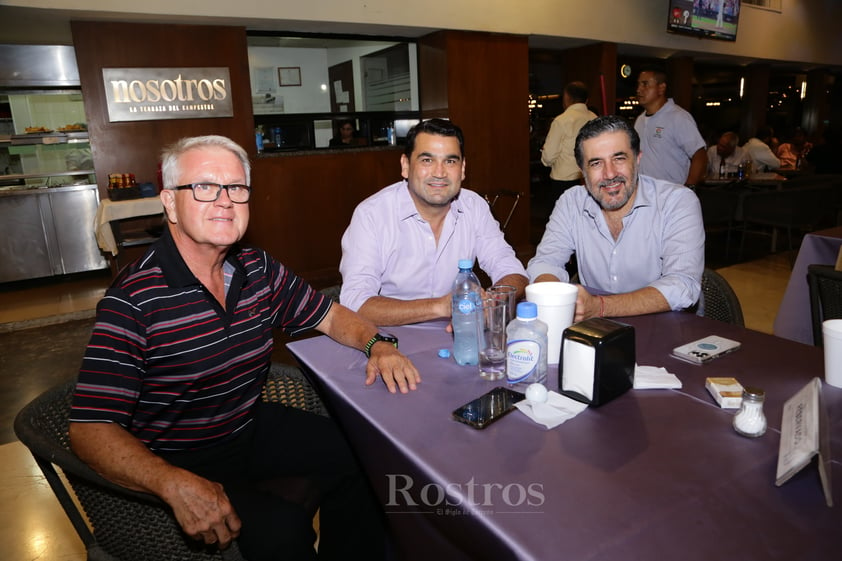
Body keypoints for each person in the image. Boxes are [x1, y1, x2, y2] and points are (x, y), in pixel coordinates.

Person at [69, 135, 421, 561]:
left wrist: (376, 342)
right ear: (169, 202)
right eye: (204, 187)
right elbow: (89, 430)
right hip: (175, 454)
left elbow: (328, 314)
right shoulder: (134, 300)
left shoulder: (256, 268)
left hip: (245, 426)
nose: (225, 201)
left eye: (236, 187)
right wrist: (171, 481)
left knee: (368, 457)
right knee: (281, 532)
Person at [339, 118, 528, 326]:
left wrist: (491, 304)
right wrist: (440, 306)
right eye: (427, 160)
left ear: (463, 168)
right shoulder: (372, 215)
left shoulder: (475, 207)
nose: (439, 173)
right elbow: (355, 302)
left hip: (455, 336)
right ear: (405, 165)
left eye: (450, 161)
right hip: (389, 338)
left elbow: (512, 270)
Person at [527, 115, 704, 321]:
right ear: (582, 171)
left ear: (637, 159)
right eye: (596, 163)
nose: (610, 174)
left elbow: (683, 285)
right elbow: (545, 262)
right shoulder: (571, 202)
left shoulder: (677, 202)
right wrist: (554, 300)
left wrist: (600, 306)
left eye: (619, 158)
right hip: (599, 331)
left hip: (669, 326)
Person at [634, 67, 707, 188]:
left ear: (661, 88)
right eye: (638, 84)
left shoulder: (678, 117)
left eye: (645, 84)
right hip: (644, 194)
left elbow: (699, 155)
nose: (639, 90)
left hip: (671, 196)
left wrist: (689, 187)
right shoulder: (640, 120)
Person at [540, 81, 598, 198]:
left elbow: (548, 157)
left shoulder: (561, 121)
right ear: (586, 100)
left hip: (563, 181)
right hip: (590, 179)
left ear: (567, 98)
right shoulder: (595, 119)